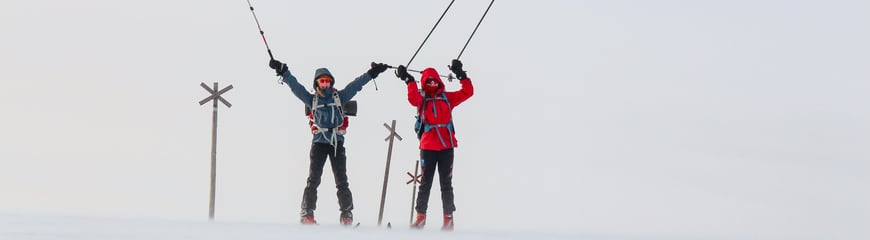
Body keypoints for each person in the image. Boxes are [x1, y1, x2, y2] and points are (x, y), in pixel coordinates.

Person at [269, 59, 389, 225]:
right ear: (317, 83)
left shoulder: (340, 97)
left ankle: (346, 214)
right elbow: (296, 87)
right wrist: (284, 71)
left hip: (336, 143)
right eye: (322, 81)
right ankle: (307, 213)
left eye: (327, 81)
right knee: (313, 179)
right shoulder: (311, 100)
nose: (325, 84)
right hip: (319, 143)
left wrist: (372, 73)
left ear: (331, 82)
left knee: (341, 180)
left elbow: (356, 85)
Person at [394, 59, 474, 231]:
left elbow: (468, 92)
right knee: (425, 183)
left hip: (446, 147)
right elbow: (412, 99)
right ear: (424, 83)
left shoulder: (447, 98)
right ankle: (420, 217)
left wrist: (461, 75)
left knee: (446, 183)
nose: (432, 83)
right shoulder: (422, 99)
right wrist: (409, 80)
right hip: (428, 147)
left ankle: (448, 219)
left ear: (439, 81)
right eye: (428, 81)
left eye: (434, 80)